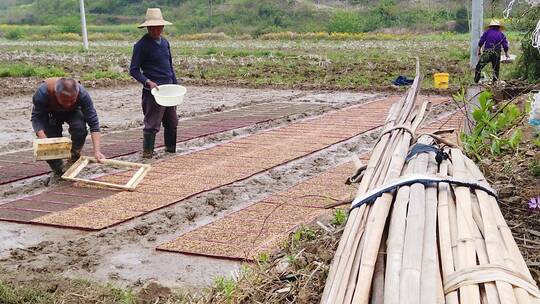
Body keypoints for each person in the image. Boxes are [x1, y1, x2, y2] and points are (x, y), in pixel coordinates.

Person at [129, 8, 178, 158]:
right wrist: (147, 82)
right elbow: (134, 70)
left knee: (172, 121)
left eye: (158, 27)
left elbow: (170, 66)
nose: (155, 30)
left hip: (169, 90)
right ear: (147, 27)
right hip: (153, 91)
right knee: (152, 124)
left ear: (162, 27)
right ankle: (147, 154)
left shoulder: (165, 43)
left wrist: (176, 85)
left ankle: (170, 151)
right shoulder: (141, 46)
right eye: (152, 27)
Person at [31, 77, 105, 175]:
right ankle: (59, 171)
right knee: (50, 146)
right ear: (57, 95)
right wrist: (44, 140)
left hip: (73, 111)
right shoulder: (43, 93)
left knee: (79, 129)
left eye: (71, 100)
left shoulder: (82, 94)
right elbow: (37, 118)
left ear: (77, 94)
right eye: (65, 101)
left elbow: (93, 122)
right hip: (51, 112)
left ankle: (74, 155)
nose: (68, 104)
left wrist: (97, 151)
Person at [475, 19, 510, 83]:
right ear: (499, 27)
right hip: (497, 53)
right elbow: (505, 45)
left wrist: (479, 49)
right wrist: (506, 53)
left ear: (490, 26)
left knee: (479, 66)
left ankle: (476, 81)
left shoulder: (487, 32)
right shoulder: (501, 34)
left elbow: (481, 41)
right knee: (496, 69)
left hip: (487, 52)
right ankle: (495, 82)